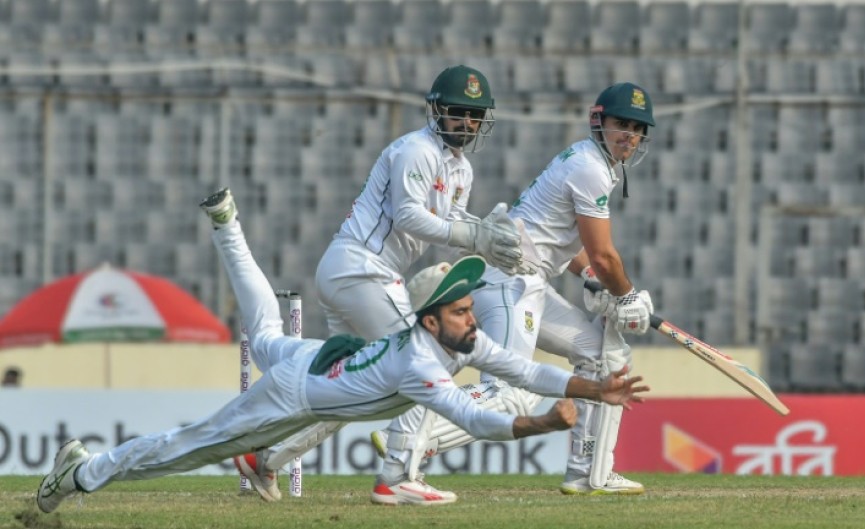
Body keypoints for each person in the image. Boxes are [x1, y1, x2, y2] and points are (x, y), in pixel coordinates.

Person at [35, 189, 650, 514]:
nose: (474, 318)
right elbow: (476, 419)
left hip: (316, 358)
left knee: (264, 329)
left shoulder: (455, 336)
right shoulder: (419, 364)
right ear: (430, 320)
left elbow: (522, 368)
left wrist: (597, 388)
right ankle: (82, 473)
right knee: (187, 448)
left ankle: (227, 225)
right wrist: (543, 423)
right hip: (293, 397)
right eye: (461, 310)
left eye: (469, 307)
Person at [231, 64, 535, 501]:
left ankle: (264, 458)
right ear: (437, 110)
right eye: (458, 112)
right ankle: (397, 476)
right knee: (425, 359)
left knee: (346, 391)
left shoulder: (462, 170)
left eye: (475, 115)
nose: (467, 123)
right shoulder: (416, 150)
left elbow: (448, 226)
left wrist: (485, 237)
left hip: (361, 274)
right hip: (360, 268)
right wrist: (474, 235)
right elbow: (409, 215)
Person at [370, 83, 658, 497]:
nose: (629, 135)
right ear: (599, 122)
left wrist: (589, 275)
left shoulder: (589, 160)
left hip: (528, 281)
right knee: (511, 396)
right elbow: (604, 254)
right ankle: (410, 433)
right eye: (621, 124)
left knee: (599, 352)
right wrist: (626, 295)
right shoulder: (590, 167)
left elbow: (559, 240)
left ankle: (589, 472)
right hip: (511, 280)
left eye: (637, 128)